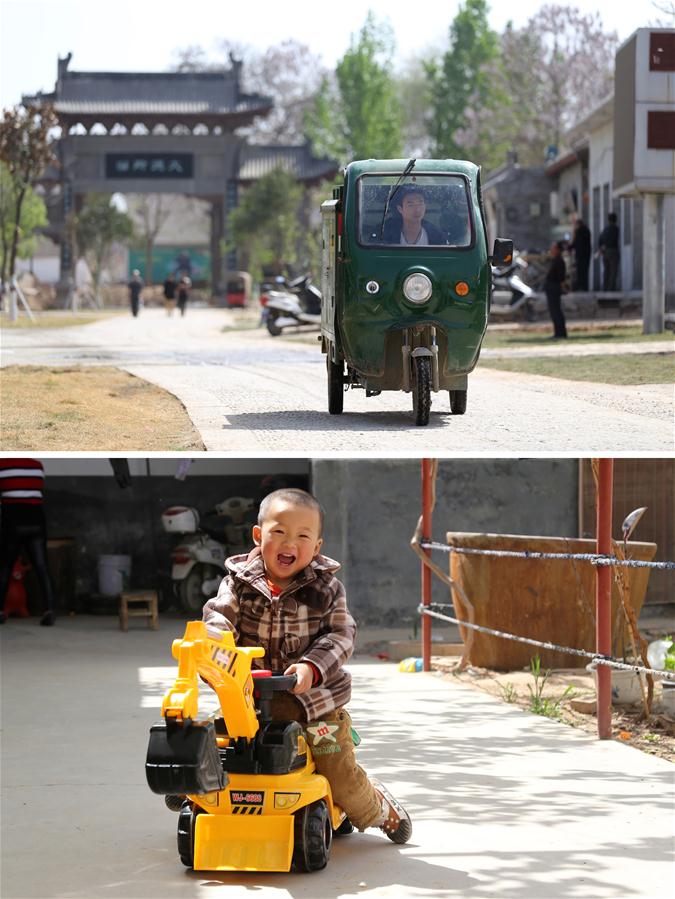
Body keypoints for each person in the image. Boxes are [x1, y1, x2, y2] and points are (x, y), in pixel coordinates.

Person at [202, 487, 412, 844]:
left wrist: (311, 667)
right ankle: (196, 787)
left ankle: (375, 807)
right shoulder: (237, 584)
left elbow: (341, 634)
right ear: (258, 535)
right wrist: (215, 650)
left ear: (316, 547)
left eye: (302, 536)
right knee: (205, 742)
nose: (290, 543)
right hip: (249, 704)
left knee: (338, 774)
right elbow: (217, 620)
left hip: (315, 705)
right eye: (279, 532)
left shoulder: (326, 589)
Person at [0, 458, 57, 626]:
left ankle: (0, 611)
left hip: (13, 523)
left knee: (4, 568)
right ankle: (49, 610)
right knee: (42, 567)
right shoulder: (37, 466)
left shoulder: (2, 465)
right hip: (37, 522)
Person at [543, 241, 568, 339]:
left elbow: (561, 277)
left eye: (553, 248)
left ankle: (560, 333)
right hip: (551, 287)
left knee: (556, 311)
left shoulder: (559, 261)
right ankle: (558, 332)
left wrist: (563, 287)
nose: (551, 249)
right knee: (554, 311)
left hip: (554, 288)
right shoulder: (555, 260)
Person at [597, 212, 620, 291]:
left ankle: (605, 287)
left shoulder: (605, 229)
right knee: (613, 270)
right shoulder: (615, 229)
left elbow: (600, 239)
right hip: (613, 250)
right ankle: (611, 287)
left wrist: (601, 248)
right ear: (615, 220)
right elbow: (614, 239)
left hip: (605, 251)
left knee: (606, 270)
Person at [570, 218, 591, 291]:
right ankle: (584, 286)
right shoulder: (586, 230)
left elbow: (576, 243)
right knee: (584, 271)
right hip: (586, 255)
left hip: (580, 255)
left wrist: (569, 247)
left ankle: (580, 286)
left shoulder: (579, 231)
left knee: (580, 272)